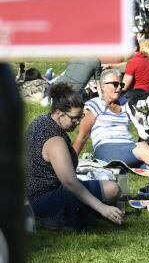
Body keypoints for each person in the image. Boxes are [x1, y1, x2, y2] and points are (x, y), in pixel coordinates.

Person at [26, 82, 123, 230]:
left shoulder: (41, 121)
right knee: (113, 189)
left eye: (80, 117)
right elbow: (70, 182)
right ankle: (57, 217)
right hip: (43, 200)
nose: (78, 123)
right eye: (74, 118)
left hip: (29, 196)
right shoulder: (55, 141)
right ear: (59, 113)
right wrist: (102, 208)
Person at [72, 68, 149, 167]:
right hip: (106, 149)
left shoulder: (125, 105)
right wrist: (70, 162)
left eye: (121, 85)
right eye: (115, 84)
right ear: (103, 86)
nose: (119, 88)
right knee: (144, 150)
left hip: (129, 147)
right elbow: (82, 136)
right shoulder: (94, 104)